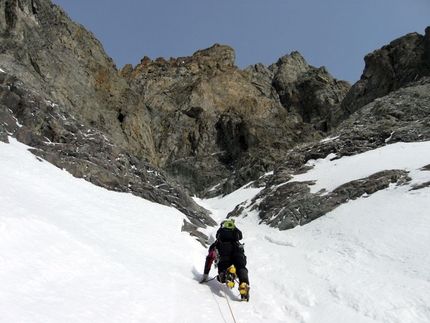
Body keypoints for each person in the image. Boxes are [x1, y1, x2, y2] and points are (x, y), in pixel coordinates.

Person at [200, 219, 250, 300]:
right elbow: (240, 235)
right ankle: (244, 283)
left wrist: (205, 275)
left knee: (221, 275)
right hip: (238, 251)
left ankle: (227, 273)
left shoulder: (216, 244)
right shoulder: (237, 243)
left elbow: (209, 258)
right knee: (241, 267)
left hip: (223, 255)